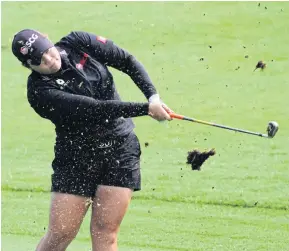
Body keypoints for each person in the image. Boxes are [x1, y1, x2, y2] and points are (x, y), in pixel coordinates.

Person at [11, 29, 173, 251]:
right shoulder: (39, 92)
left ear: (49, 40)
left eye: (47, 51)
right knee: (61, 234)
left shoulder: (78, 42)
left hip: (120, 149)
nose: (49, 60)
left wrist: (153, 97)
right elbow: (94, 109)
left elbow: (126, 60)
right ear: (28, 65)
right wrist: (146, 109)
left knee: (105, 232)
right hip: (77, 158)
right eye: (39, 60)